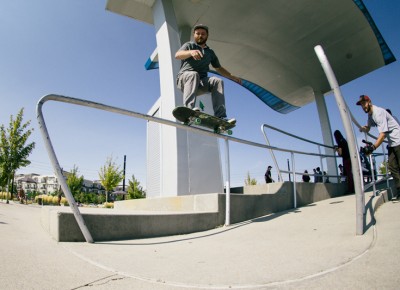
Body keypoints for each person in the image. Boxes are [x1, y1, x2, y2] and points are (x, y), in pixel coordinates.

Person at [175, 24, 241, 123]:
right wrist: (191, 52)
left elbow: (218, 68)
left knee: (217, 81)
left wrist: (232, 76)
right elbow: (177, 55)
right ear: (194, 35)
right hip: (184, 80)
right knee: (193, 74)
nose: (200, 36)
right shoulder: (189, 45)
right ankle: (188, 110)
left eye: (203, 34)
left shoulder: (210, 53)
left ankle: (221, 117)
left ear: (207, 36)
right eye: (198, 34)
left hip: (200, 84)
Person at [357, 95, 400, 199]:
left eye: (364, 103)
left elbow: (383, 134)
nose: (363, 106)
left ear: (369, 102)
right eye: (361, 105)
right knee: (392, 166)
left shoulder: (378, 112)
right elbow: (369, 127)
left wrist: (373, 147)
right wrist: (364, 128)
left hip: (398, 140)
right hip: (392, 143)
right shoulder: (370, 115)